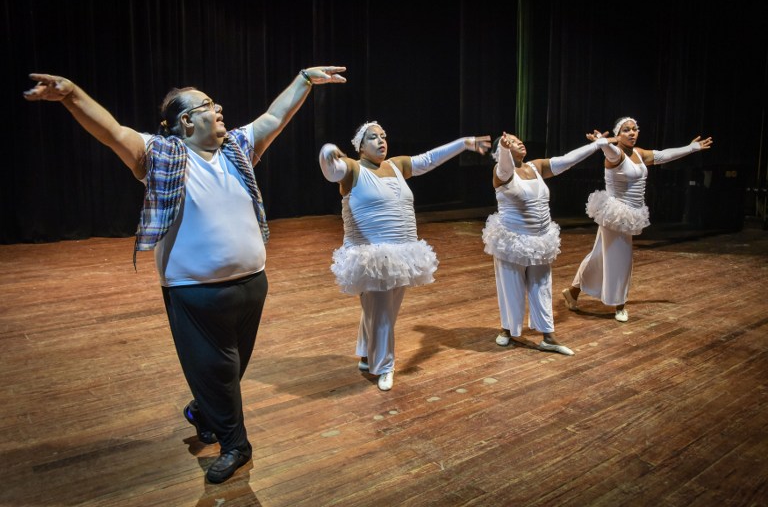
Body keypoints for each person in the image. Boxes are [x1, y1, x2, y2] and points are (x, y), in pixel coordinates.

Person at [23, 66, 347, 484]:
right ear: (186, 121)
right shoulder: (159, 155)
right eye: (209, 105)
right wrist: (71, 95)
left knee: (227, 372)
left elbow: (273, 118)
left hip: (252, 285)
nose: (219, 109)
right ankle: (236, 445)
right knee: (219, 370)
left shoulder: (237, 148)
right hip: (194, 292)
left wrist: (304, 79)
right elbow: (112, 132)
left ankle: (202, 411)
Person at [318, 122, 491, 391]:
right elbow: (331, 171)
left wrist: (464, 143)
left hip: (401, 251)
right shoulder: (353, 168)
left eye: (384, 136)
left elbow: (430, 159)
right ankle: (383, 365)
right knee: (383, 310)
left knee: (377, 308)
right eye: (373, 137)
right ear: (360, 146)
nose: (381, 141)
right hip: (371, 254)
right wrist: (328, 151)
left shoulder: (397, 165)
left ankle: (366, 353)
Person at [562, 117, 713, 322]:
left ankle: (573, 292)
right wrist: (602, 142)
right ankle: (619, 305)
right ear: (618, 134)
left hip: (630, 213)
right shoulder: (616, 154)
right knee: (622, 259)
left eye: (635, 129)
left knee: (599, 255)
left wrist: (691, 148)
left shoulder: (639, 153)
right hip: (616, 213)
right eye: (626, 130)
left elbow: (663, 155)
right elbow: (610, 151)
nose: (632, 133)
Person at [483, 131, 610, 356]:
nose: (518, 141)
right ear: (500, 151)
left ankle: (548, 336)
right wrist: (503, 149)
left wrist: (597, 145)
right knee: (510, 286)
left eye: (517, 138)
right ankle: (507, 330)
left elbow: (567, 160)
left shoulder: (535, 167)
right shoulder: (500, 172)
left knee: (542, 286)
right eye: (511, 141)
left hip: (540, 238)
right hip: (512, 239)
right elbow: (504, 168)